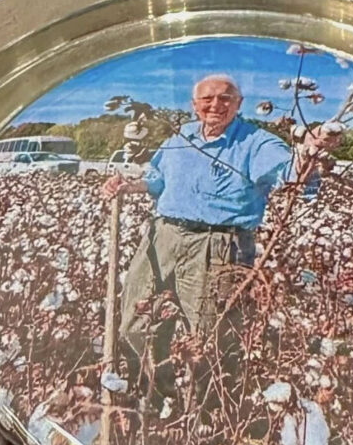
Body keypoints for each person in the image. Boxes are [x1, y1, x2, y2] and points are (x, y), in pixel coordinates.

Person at [101, 74, 339, 409]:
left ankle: (210, 415)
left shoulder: (257, 142)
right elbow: (157, 179)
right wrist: (127, 185)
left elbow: (290, 172)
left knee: (210, 337)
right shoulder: (181, 136)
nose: (216, 105)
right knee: (134, 322)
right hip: (163, 236)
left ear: (239, 104)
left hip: (220, 245)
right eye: (207, 99)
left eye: (226, 98)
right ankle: (155, 397)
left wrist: (309, 153)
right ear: (194, 105)